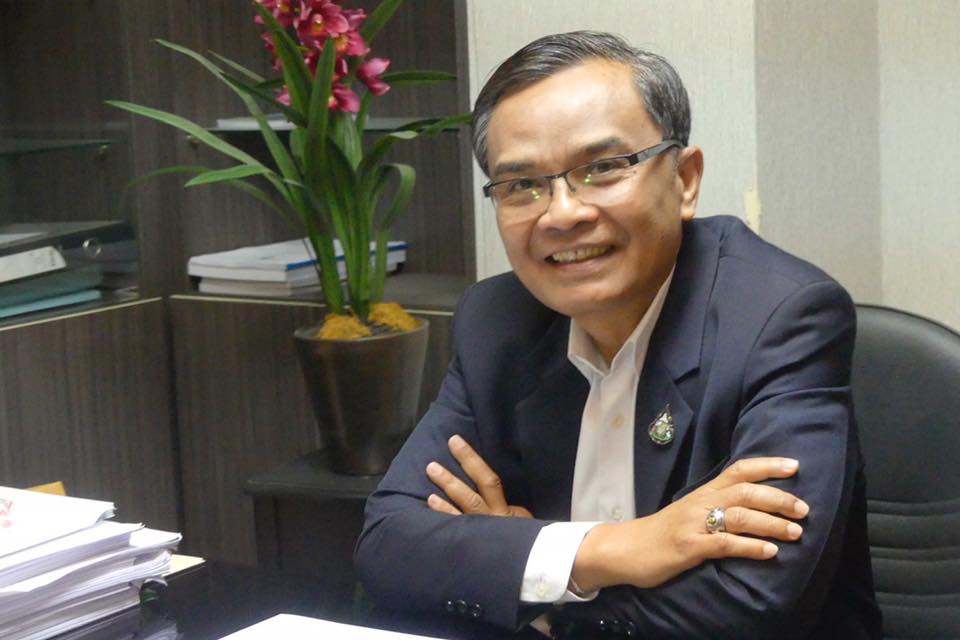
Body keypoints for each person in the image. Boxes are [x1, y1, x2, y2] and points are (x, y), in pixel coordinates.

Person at [354, 31, 881, 639]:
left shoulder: (780, 318)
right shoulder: (497, 321)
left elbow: (753, 605)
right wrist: (619, 548)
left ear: (685, 180)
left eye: (602, 168)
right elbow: (389, 546)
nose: (562, 213)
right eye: (522, 185)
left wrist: (530, 581)